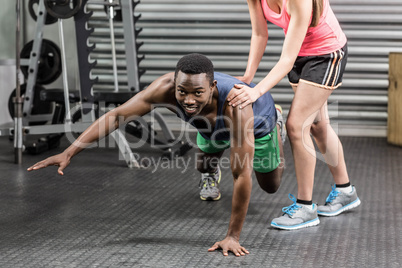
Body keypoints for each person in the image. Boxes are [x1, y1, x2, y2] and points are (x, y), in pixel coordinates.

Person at [28, 53, 285, 256]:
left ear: (212, 86)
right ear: (174, 84)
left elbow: (241, 174)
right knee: (203, 166)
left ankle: (279, 125)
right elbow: (116, 117)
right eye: (182, 91)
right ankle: (210, 171)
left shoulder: (237, 106)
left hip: (258, 125)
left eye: (198, 92)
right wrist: (70, 151)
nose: (188, 100)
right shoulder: (164, 89)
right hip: (208, 125)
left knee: (270, 185)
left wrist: (233, 236)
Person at [227, 0, 360, 230]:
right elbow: (259, 34)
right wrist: (248, 76)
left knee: (297, 126)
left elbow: (285, 61)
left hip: (326, 55)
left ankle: (305, 207)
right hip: (301, 55)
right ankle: (345, 191)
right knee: (317, 125)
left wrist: (256, 90)